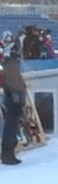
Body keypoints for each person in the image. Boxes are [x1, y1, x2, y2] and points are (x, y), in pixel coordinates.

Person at [1, 36, 28, 165]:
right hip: (13, 101)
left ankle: (8, 155)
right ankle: (7, 156)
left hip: (14, 99)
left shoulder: (11, 66)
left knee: (11, 129)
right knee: (10, 129)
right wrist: (16, 96)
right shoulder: (10, 66)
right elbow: (11, 84)